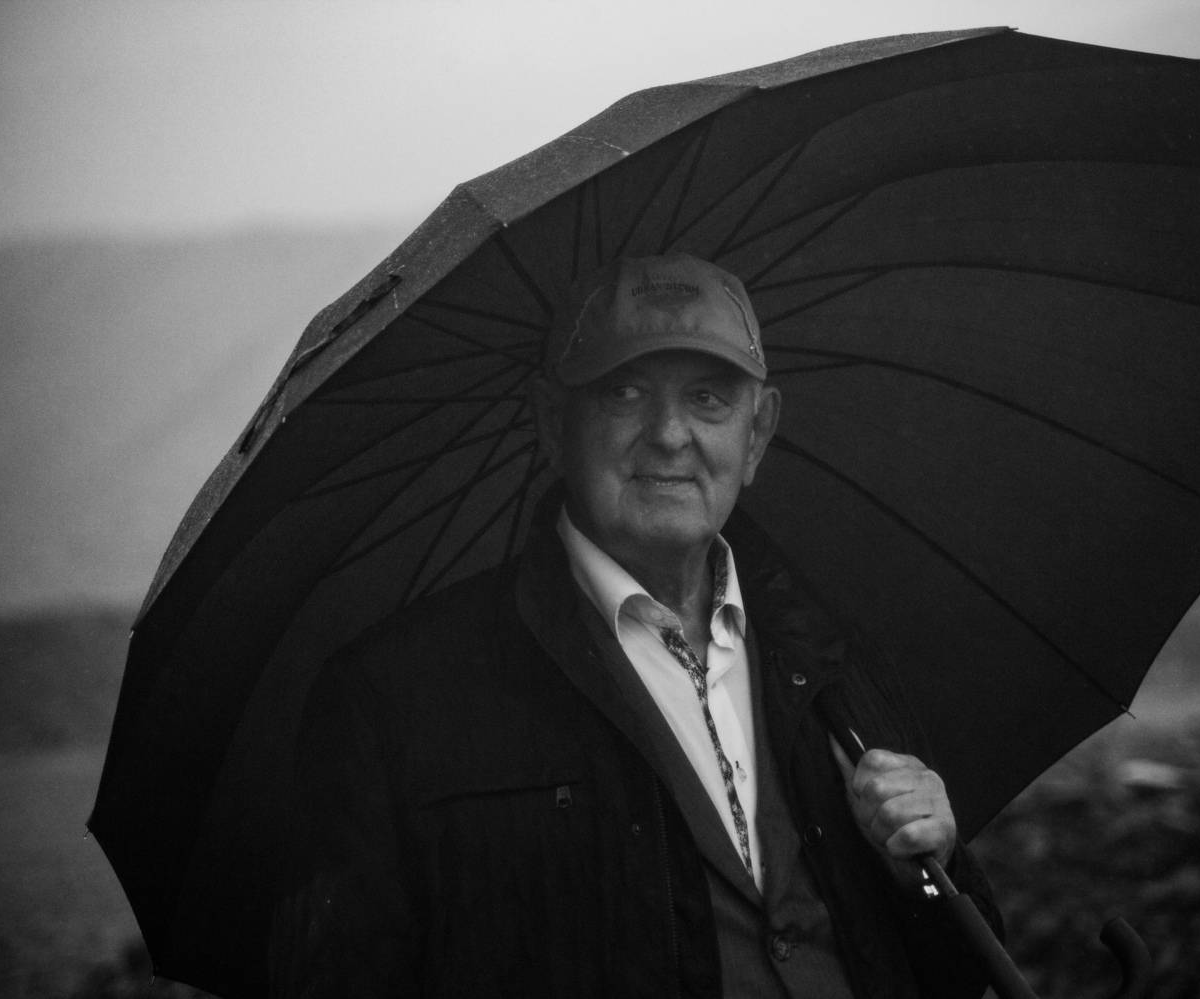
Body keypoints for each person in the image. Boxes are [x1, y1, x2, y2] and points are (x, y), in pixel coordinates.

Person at [271, 253, 1002, 997]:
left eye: (708, 398)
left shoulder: (830, 654)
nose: (670, 434)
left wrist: (931, 874)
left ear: (757, 433)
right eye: (624, 392)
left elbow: (955, 975)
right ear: (552, 422)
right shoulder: (396, 696)